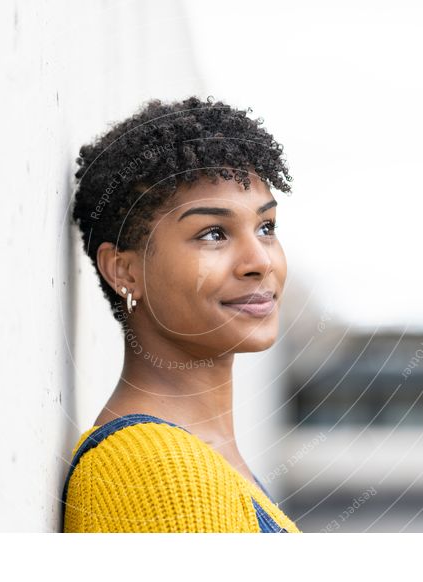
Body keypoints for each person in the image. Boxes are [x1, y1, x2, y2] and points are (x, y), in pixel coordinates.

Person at [62, 96, 300, 532]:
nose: (260, 261)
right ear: (124, 270)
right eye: (213, 233)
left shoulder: (199, 458)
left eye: (266, 228)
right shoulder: (156, 471)